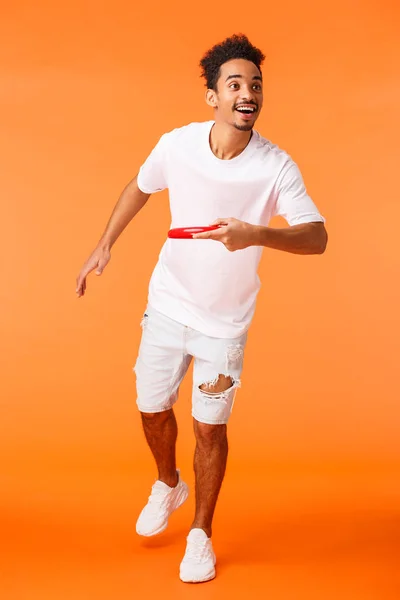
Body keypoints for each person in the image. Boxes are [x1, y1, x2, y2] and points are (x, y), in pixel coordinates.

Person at [76, 33, 327, 583]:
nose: (248, 93)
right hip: (167, 304)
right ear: (212, 95)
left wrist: (255, 233)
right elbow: (139, 187)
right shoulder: (178, 145)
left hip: (224, 324)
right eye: (235, 83)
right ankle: (168, 482)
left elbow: (317, 237)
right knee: (150, 407)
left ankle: (200, 535)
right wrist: (104, 244)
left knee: (210, 429)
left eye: (255, 85)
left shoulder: (276, 166)